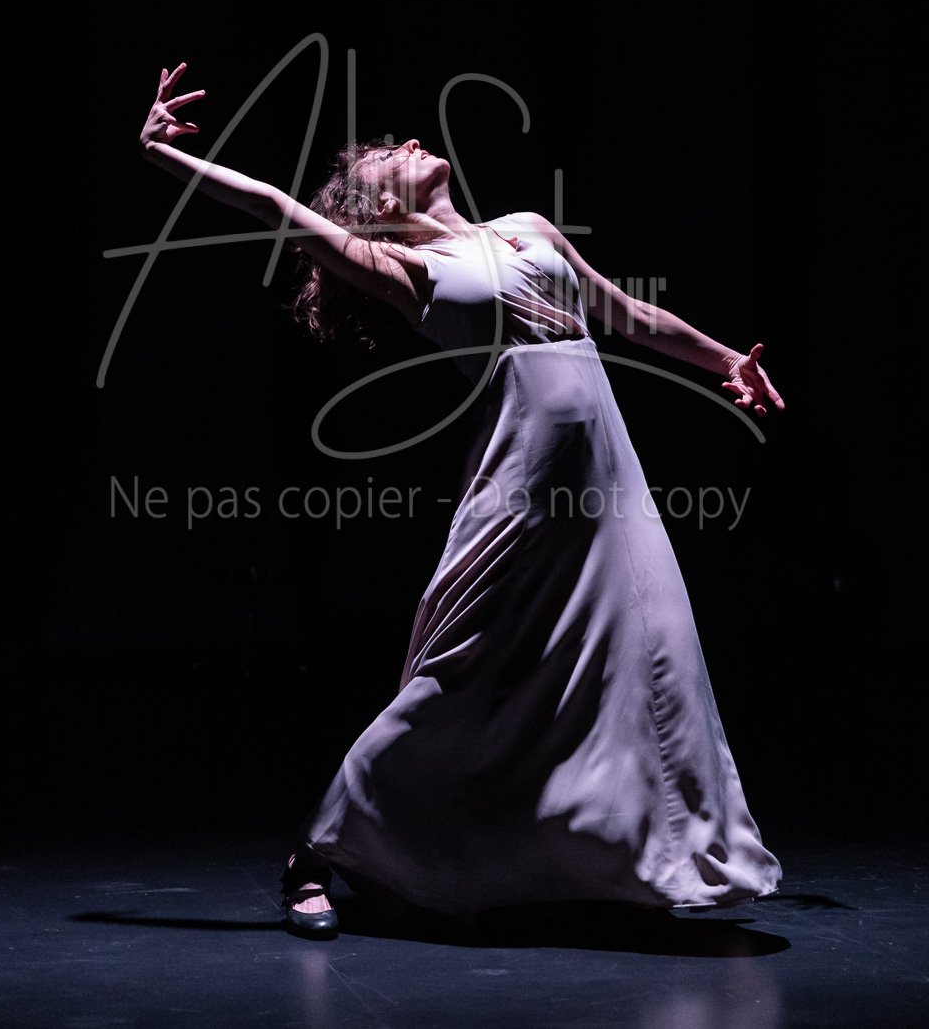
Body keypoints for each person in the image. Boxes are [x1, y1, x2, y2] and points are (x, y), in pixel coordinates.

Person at [139, 61, 785, 941]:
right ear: (377, 206)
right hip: (520, 491)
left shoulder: (527, 228)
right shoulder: (406, 268)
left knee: (653, 653)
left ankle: (652, 859)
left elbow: (628, 317)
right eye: (388, 157)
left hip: (605, 489)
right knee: (461, 679)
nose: (411, 142)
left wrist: (726, 363)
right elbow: (275, 208)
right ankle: (321, 851)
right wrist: (165, 156)